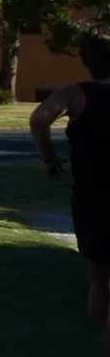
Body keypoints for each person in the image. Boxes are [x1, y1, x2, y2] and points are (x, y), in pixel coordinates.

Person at [31, 31, 110, 351]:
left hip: (93, 196)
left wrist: (50, 160)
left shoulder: (75, 95)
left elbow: (39, 119)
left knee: (99, 277)